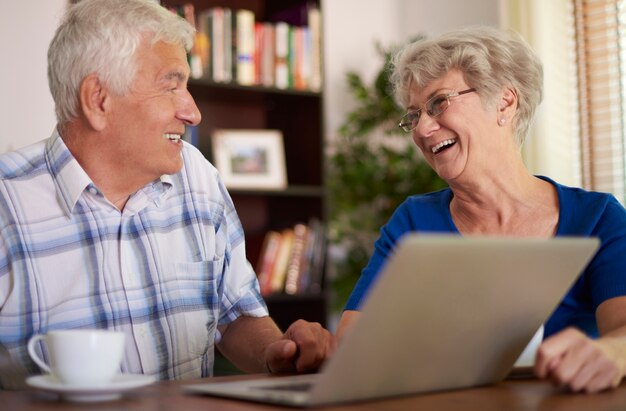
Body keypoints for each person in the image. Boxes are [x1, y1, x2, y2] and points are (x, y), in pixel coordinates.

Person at [0, 0, 333, 389]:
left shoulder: (199, 178)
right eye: (171, 85)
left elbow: (235, 313)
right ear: (98, 100)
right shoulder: (8, 202)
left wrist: (275, 353)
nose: (193, 112)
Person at [336, 26, 626, 394]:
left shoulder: (597, 218)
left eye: (439, 103)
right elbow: (352, 345)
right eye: (413, 115)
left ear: (505, 102)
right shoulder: (413, 222)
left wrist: (613, 352)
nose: (423, 128)